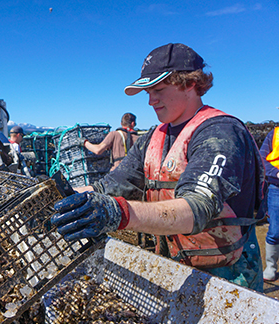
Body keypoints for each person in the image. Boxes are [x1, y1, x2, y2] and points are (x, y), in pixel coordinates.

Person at [51, 43, 265, 292]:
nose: (151, 101)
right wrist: (59, 200)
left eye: (159, 90)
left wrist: (119, 213)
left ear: (191, 83)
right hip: (174, 264)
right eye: (148, 92)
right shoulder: (152, 137)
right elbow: (109, 186)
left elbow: (197, 207)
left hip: (228, 273)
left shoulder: (220, 133)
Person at [259, 128, 279, 281]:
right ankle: (271, 267)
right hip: (276, 187)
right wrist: (276, 172)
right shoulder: (274, 134)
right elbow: (262, 159)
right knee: (275, 230)